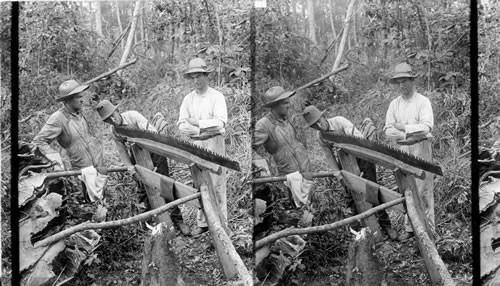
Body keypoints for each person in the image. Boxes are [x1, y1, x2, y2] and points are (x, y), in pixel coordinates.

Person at [302, 105, 398, 240]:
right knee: (351, 198)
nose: (318, 125)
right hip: (345, 163)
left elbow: (359, 142)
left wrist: (359, 172)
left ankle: (386, 225)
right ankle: (361, 232)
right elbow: (329, 156)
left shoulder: (340, 122)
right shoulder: (321, 137)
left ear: (324, 116)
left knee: (372, 191)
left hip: (362, 156)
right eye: (314, 125)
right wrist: (339, 174)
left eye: (319, 121)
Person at [96, 99, 191, 236]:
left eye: (113, 115)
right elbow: (122, 151)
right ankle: (149, 226)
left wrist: (152, 167)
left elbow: (152, 135)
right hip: (137, 157)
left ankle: (178, 220)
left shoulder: (133, 116)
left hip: (154, 151)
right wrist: (131, 169)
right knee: (142, 191)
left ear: (117, 111)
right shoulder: (114, 131)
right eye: (108, 120)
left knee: (165, 185)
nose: (112, 120)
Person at [384, 63, 435, 241]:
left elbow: (427, 127)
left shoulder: (423, 102)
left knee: (424, 189)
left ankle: (428, 230)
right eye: (398, 82)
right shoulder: (394, 104)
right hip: (403, 148)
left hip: (421, 148)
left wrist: (404, 128)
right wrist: (405, 133)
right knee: (407, 188)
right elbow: (388, 130)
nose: (401, 85)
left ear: (412, 81)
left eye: (404, 81)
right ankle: (411, 228)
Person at [177, 58, 228, 236]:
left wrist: (198, 123)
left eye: (199, 76)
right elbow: (182, 125)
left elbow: (220, 123)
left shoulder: (217, 97)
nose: (196, 80)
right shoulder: (188, 99)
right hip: (196, 143)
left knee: (216, 182)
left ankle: (220, 223)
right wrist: (199, 128)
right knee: (200, 183)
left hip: (213, 143)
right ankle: (203, 223)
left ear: (206, 76)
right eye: (192, 77)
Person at [33, 79, 106, 202]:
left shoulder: (80, 113)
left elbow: (90, 138)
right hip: (78, 173)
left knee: (101, 206)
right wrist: (55, 160)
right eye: (78, 97)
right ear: (67, 100)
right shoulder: (58, 118)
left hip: (96, 170)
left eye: (81, 96)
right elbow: (39, 141)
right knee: (84, 208)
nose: (82, 99)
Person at [253, 86, 314, 208]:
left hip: (306, 174)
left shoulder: (287, 120)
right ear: (275, 105)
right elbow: (250, 149)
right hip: (289, 178)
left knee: (310, 210)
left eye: (288, 102)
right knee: (295, 211)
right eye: (285, 103)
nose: (289, 106)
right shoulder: (264, 124)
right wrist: (261, 166)